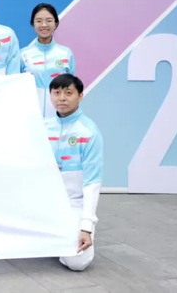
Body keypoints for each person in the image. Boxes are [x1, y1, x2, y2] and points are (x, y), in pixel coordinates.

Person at [45, 74, 103, 271]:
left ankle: (64, 236)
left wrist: (86, 227)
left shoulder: (89, 132)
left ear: (80, 96)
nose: (62, 98)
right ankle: (55, 237)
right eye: (57, 93)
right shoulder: (42, 128)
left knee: (77, 262)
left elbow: (92, 183)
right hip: (44, 203)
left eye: (68, 93)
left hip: (73, 203)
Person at [20, 3, 76, 117]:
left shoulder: (66, 53)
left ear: (55, 24)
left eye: (49, 20)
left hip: (59, 116)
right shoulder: (23, 54)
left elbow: (72, 89)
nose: (44, 25)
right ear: (33, 24)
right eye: (39, 21)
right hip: (31, 116)